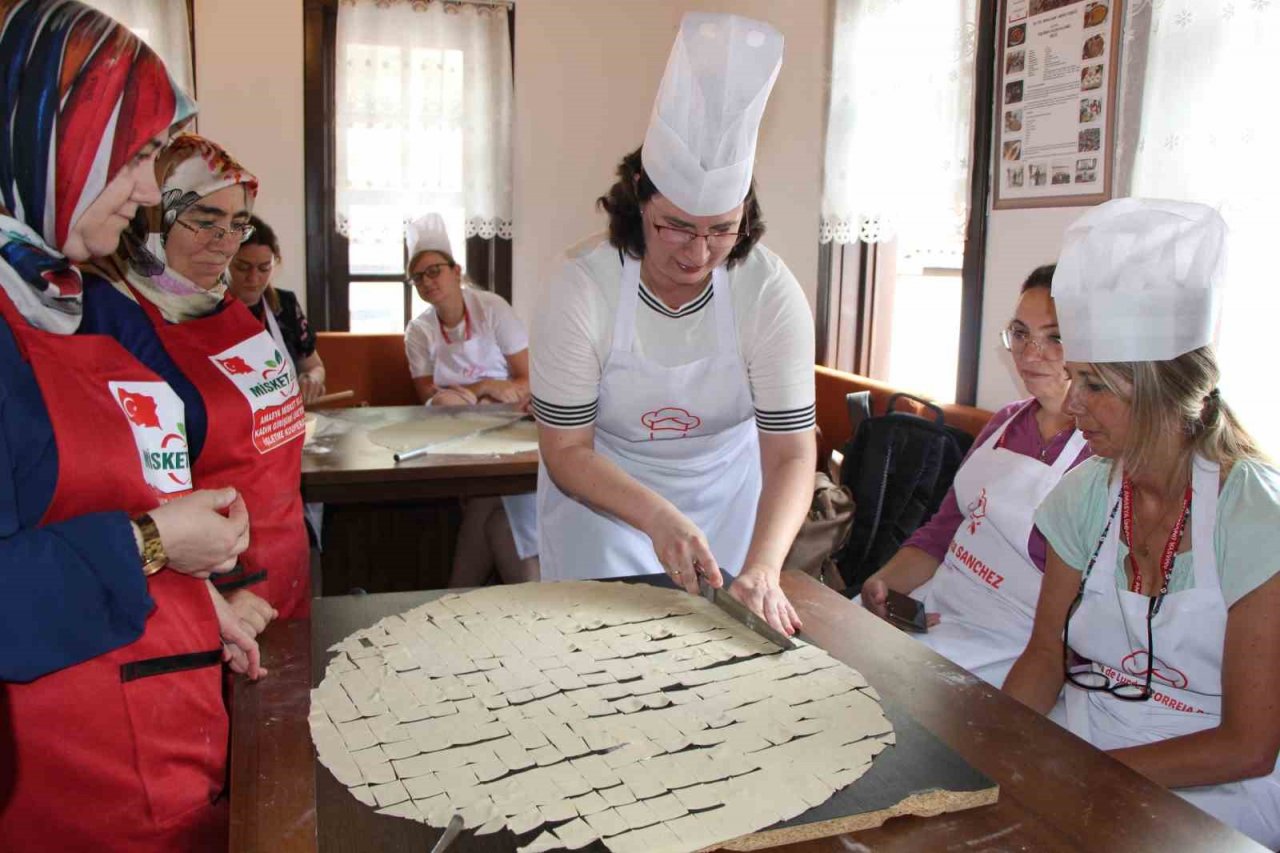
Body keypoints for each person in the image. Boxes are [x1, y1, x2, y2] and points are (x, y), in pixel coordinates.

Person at [0, 2, 261, 849]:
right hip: (72, 797)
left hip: (168, 761)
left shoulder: (68, 302)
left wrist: (193, 593)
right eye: (138, 157)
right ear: (53, 141)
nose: (149, 189)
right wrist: (154, 544)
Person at [1004, 199, 1280, 847]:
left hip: (1214, 794)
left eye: (1094, 385)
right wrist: (999, 750)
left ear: (1159, 393)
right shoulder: (1084, 498)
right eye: (1074, 380)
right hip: (1087, 745)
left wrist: (1082, 778)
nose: (1072, 405)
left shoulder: (1253, 515)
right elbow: (1046, 654)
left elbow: (1250, 744)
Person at [532, 13, 816, 635]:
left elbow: (793, 453)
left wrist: (765, 568)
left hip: (730, 505)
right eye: (676, 227)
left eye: (721, 230)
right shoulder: (583, 286)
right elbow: (566, 449)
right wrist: (657, 517)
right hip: (604, 508)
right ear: (638, 198)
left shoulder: (767, 291)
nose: (697, 252)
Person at [81, 134, 309, 622]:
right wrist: (215, 600)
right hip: (208, 596)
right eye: (204, 223)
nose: (224, 243)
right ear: (152, 217)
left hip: (282, 570)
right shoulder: (108, 313)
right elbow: (122, 491)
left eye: (238, 226)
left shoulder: (223, 302)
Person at [860, 265, 1090, 685]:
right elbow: (942, 532)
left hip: (1011, 645)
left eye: (1054, 338)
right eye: (1020, 334)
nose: (1029, 353)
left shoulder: (1100, 453)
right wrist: (879, 588)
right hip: (937, 609)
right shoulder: (1006, 422)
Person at [403, 213, 538, 584]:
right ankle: (463, 600)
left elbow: (527, 380)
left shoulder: (492, 309)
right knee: (485, 501)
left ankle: (455, 598)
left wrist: (475, 392)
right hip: (455, 434)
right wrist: (490, 388)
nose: (428, 282)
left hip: (511, 430)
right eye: (419, 277)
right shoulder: (418, 331)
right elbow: (429, 397)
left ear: (456, 270)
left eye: (435, 271)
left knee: (485, 501)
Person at [228, 215, 326, 404]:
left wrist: (312, 380)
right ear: (225, 263)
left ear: (275, 262)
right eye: (242, 267)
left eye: (264, 268)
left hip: (283, 420)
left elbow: (314, 366)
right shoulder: (207, 309)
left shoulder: (285, 305)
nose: (254, 278)